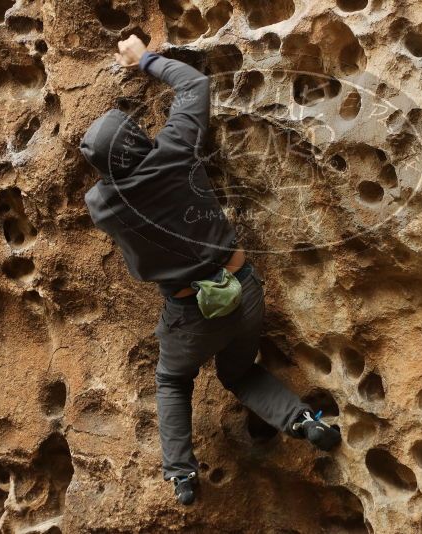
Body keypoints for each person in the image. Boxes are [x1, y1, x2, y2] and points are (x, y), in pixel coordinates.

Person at [79, 35, 341, 505]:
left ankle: (182, 476)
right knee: (239, 372)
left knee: (172, 381)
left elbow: (112, 181)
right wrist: (145, 60)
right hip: (242, 289)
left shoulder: (102, 205)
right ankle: (303, 421)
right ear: (138, 140)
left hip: (190, 316)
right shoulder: (175, 151)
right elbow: (195, 86)